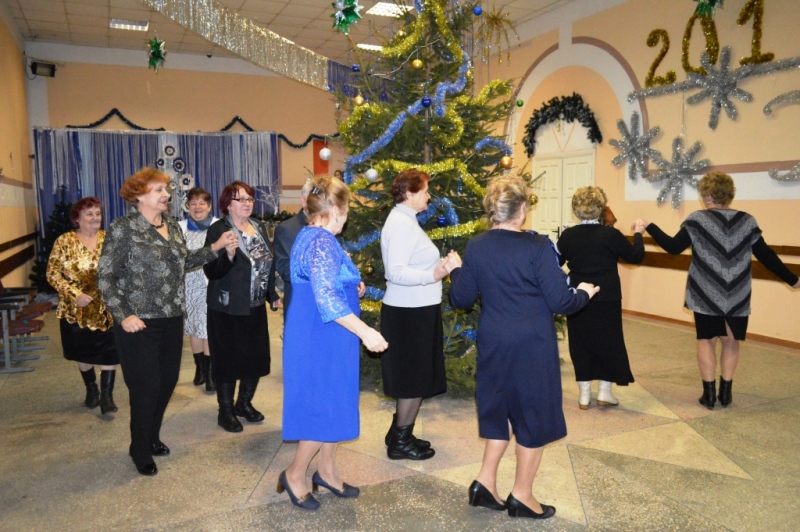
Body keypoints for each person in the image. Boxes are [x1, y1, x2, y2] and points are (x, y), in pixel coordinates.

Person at [449, 175, 598, 519]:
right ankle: (522, 495)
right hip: (531, 345)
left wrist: (456, 271)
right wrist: (584, 293)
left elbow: (461, 298)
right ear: (521, 209)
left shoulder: (477, 245)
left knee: (500, 408)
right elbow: (561, 301)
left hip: (494, 341)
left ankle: (485, 482)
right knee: (533, 414)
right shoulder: (537, 246)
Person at [98, 168, 236, 476]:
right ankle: (139, 447)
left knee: (166, 383)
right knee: (146, 387)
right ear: (139, 195)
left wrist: (214, 249)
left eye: (167, 189)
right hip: (138, 323)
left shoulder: (171, 225)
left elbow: (183, 262)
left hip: (172, 318)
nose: (167, 195)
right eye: (159, 190)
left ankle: (151, 435)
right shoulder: (123, 228)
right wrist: (124, 315)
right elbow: (106, 277)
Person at [637, 171, 799, 409]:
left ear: (708, 195)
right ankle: (726, 393)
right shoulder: (747, 221)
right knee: (731, 341)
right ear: (729, 194)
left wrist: (649, 226)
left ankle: (709, 395)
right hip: (737, 295)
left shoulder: (697, 220)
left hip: (704, 294)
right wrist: (792, 279)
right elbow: (766, 255)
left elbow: (672, 247)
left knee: (706, 340)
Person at [279, 175, 388, 511]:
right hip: (322, 333)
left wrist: (351, 284)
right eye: (347, 207)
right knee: (323, 406)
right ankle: (294, 474)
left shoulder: (311, 234)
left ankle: (326, 471)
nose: (348, 214)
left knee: (334, 401)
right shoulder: (323, 241)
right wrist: (366, 332)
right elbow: (326, 298)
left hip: (323, 332)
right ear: (336, 209)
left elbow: (322, 280)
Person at [379, 168, 459, 460]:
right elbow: (396, 272)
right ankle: (400, 442)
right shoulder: (401, 223)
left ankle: (400, 432)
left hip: (416, 309)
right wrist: (434, 274)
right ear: (409, 193)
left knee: (416, 376)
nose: (429, 195)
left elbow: (412, 263)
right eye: (425, 190)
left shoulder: (406, 220)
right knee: (413, 379)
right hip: (408, 313)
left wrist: (438, 266)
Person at [557, 186, 645, 409]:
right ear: (601, 208)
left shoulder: (568, 235)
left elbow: (555, 263)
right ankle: (605, 392)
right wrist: (638, 234)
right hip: (608, 296)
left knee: (580, 342)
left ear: (576, 209)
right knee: (608, 341)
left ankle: (584, 394)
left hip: (577, 296)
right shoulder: (611, 235)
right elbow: (635, 256)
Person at [204, 181, 279, 433]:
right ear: (228, 204)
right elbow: (210, 270)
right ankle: (225, 411)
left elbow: (266, 264)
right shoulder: (218, 230)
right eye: (241, 199)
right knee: (228, 360)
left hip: (254, 306)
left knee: (255, 357)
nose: (247, 204)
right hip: (227, 308)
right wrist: (228, 255)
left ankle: (243, 404)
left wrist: (271, 293)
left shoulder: (258, 226)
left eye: (249, 199)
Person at [47, 197, 120, 414]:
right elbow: (52, 274)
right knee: (82, 352)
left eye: (98, 213)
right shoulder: (64, 241)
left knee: (110, 352)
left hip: (106, 308)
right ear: (77, 218)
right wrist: (74, 294)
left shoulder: (109, 239)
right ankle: (92, 389)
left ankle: (107, 396)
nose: (95, 217)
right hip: (76, 310)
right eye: (89, 214)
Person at [178, 188, 219, 392]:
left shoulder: (218, 226)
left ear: (209, 207)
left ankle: (211, 374)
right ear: (188, 207)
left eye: (202, 203)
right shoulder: (179, 228)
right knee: (193, 327)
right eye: (193, 203)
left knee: (207, 328)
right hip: (187, 285)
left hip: (210, 284)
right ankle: (200, 369)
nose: (197, 207)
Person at [272, 179, 312, 313]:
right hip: (301, 305)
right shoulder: (287, 229)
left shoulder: (330, 226)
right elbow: (287, 271)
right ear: (303, 201)